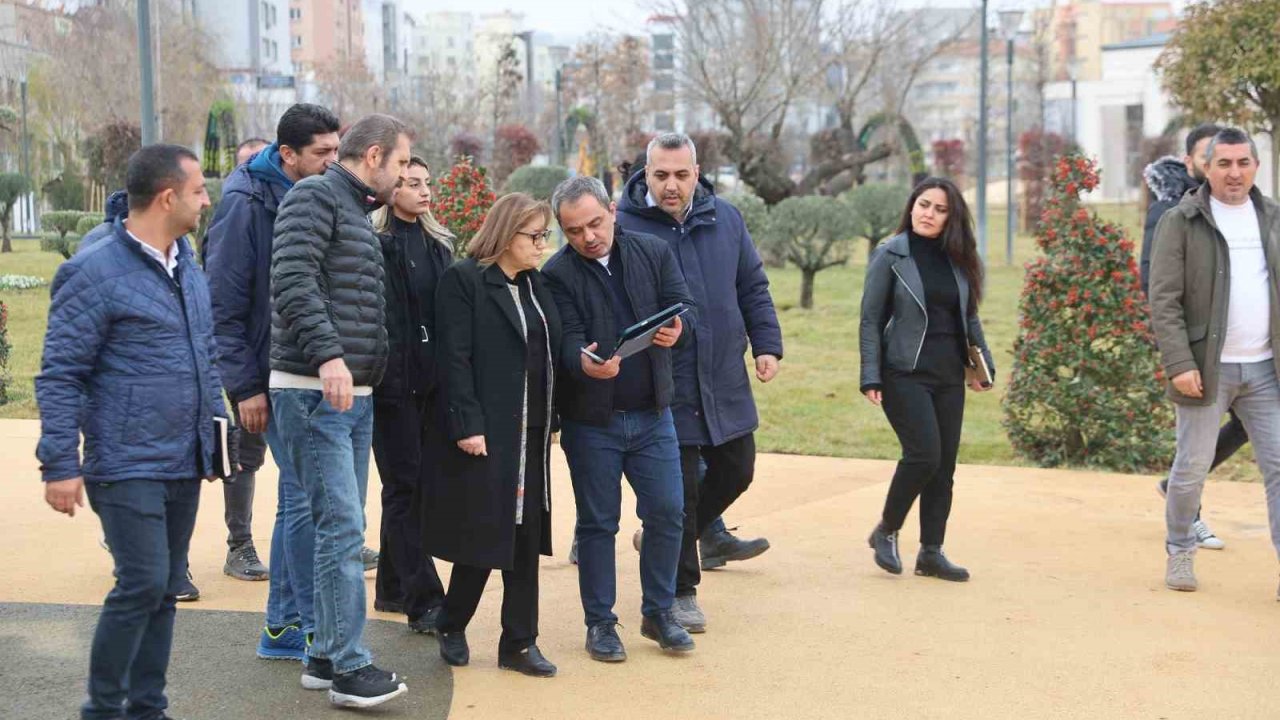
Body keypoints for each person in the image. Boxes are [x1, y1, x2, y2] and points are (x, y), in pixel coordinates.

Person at [37, 144, 223, 720]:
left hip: (181, 458)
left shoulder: (187, 263)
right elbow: (60, 374)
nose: (206, 200)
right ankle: (104, 709)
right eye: (198, 191)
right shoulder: (93, 270)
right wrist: (60, 464)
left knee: (164, 589)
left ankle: (148, 709)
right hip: (124, 462)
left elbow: (205, 355)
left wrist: (215, 439)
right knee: (141, 583)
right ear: (168, 197)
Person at [270, 113, 411, 708]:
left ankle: (326, 656)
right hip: (314, 389)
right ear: (374, 154)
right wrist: (329, 356)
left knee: (340, 526)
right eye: (403, 163)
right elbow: (292, 278)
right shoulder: (314, 194)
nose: (406, 175)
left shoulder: (354, 209)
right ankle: (349, 667)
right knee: (343, 528)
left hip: (350, 394)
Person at [616, 132, 783, 632]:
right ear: (645, 174)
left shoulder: (725, 218)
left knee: (738, 467)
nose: (671, 186)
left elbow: (752, 285)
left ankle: (673, 534)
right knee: (682, 489)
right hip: (665, 381)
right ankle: (682, 591)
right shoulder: (624, 227)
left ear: (697, 171)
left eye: (681, 175)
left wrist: (767, 343)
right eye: (661, 175)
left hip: (723, 373)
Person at [203, 103, 342, 659]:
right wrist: (245, 388)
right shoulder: (244, 204)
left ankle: (284, 626)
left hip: (303, 371)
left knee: (299, 498)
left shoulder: (314, 190)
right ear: (287, 155)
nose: (333, 162)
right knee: (310, 499)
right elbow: (223, 306)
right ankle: (303, 626)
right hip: (269, 376)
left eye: (338, 150)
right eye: (322, 154)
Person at [543, 176, 697, 662]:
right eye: (573, 231)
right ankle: (600, 624)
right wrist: (582, 361)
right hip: (592, 422)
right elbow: (564, 339)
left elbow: (685, 308)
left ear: (611, 210)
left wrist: (678, 328)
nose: (588, 236)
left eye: (594, 223)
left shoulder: (652, 251)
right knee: (597, 525)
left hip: (654, 414)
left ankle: (658, 612)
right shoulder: (556, 274)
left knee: (669, 512)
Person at [429, 193, 562, 678]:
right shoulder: (464, 281)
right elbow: (454, 359)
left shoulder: (535, 285)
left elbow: (550, 351)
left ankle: (520, 643)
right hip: (487, 430)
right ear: (506, 235)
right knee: (487, 533)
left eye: (545, 235)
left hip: (533, 428)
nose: (542, 245)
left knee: (525, 538)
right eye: (535, 236)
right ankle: (451, 621)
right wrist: (468, 424)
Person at [1149, 127, 1280, 595]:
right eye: (1223, 163)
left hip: (1267, 370)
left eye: (1243, 163)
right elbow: (1164, 300)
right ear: (1206, 167)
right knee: (1190, 469)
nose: (1234, 172)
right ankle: (1181, 549)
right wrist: (1180, 363)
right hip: (1206, 368)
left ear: (1256, 167)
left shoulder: (1272, 217)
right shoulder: (1182, 220)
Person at [859, 177, 994, 582]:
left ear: (952, 218)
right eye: (923, 204)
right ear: (911, 206)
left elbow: (968, 317)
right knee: (924, 455)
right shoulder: (890, 255)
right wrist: (870, 374)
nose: (928, 214)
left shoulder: (959, 258)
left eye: (939, 209)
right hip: (903, 372)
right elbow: (870, 319)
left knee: (944, 466)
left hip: (949, 373)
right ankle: (886, 529)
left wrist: (983, 363)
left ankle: (931, 552)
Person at [369, 156, 452, 633]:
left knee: (407, 488)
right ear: (390, 190)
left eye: (426, 183)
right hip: (392, 388)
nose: (423, 192)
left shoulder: (437, 246)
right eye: (411, 183)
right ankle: (424, 600)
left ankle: (392, 587)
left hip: (431, 386)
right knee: (406, 489)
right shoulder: (375, 245)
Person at [1143, 123, 1230, 551]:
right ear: (1191, 161)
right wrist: (1173, 348)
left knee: (1243, 428)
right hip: (1187, 341)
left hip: (1233, 343)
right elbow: (1153, 278)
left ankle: (1173, 486)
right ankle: (1187, 518)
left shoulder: (1236, 209)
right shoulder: (1169, 210)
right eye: (1207, 157)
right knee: (1192, 437)